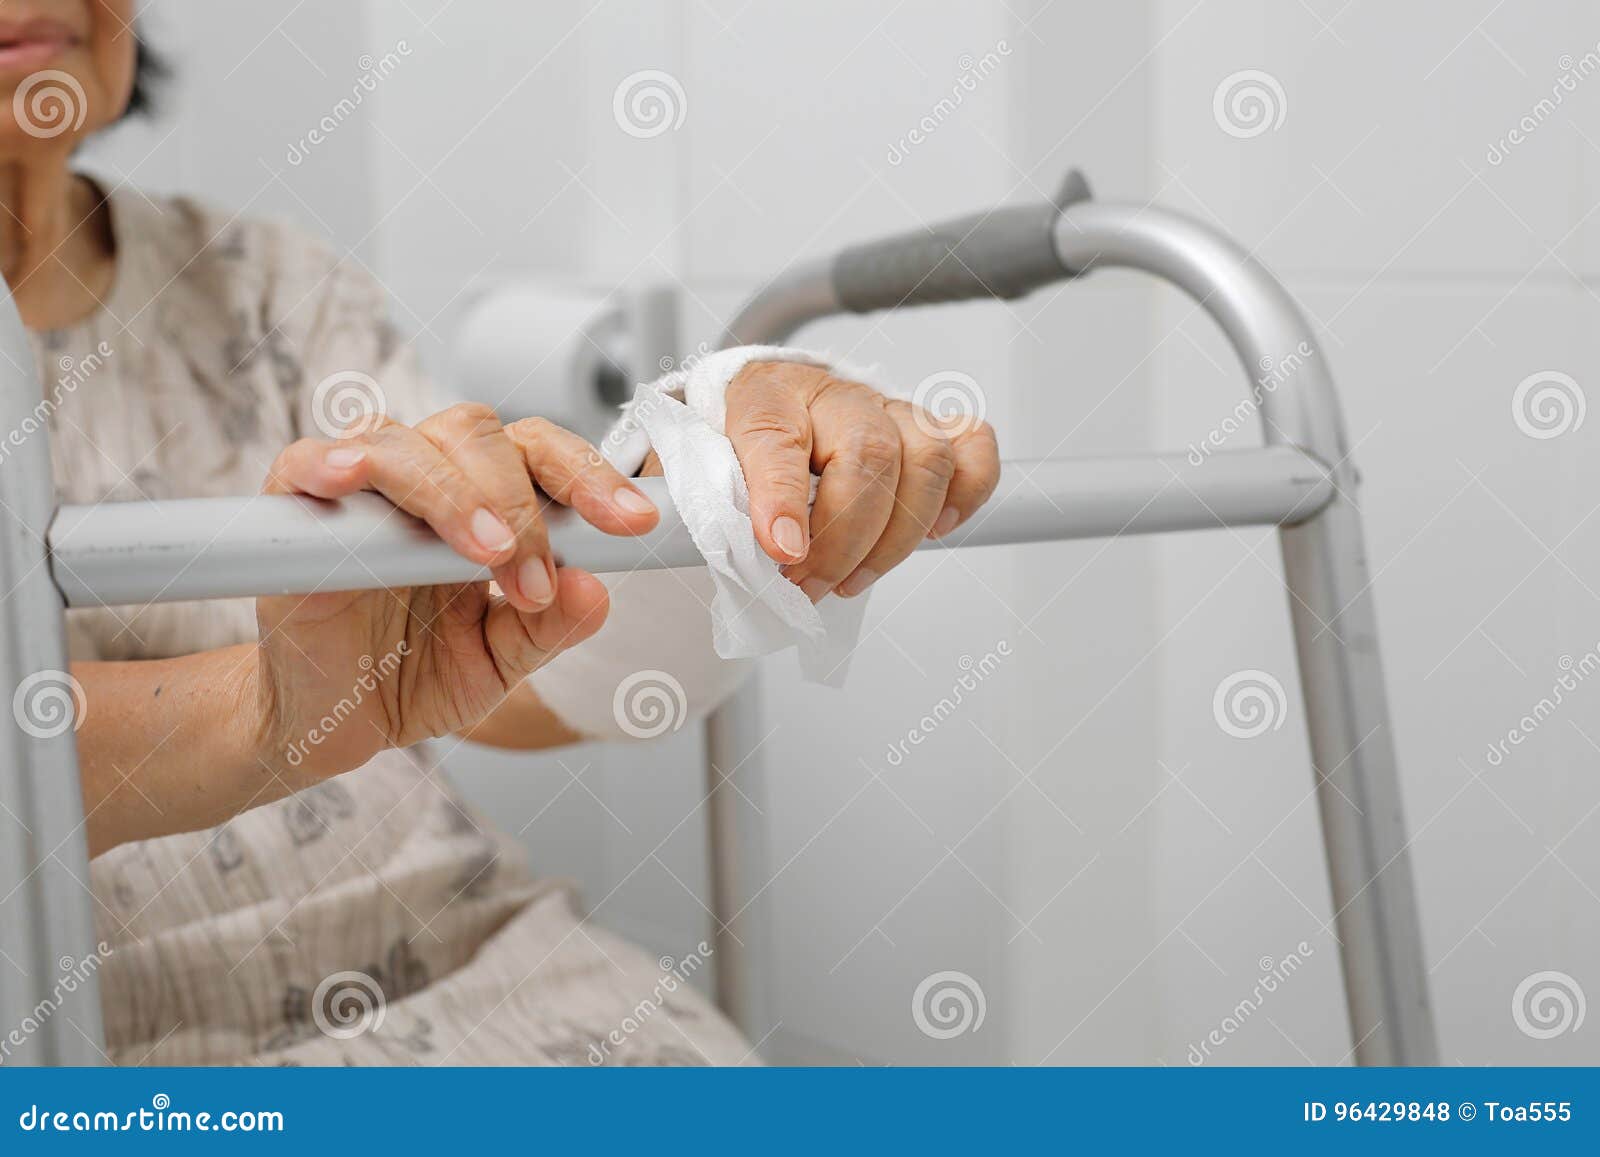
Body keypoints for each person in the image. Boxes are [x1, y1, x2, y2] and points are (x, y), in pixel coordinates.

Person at [3, 0, 1000, 1064]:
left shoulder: (269, 287)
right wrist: (267, 710)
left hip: (477, 956)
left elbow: (493, 662)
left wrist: (715, 490)